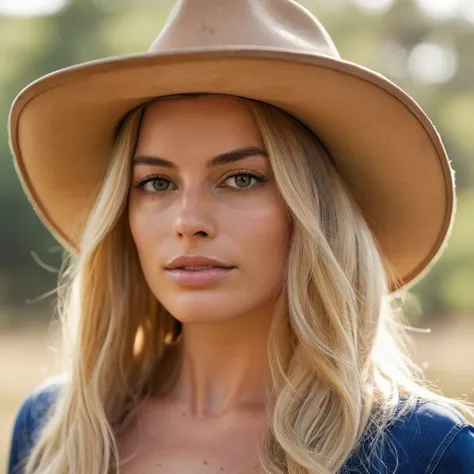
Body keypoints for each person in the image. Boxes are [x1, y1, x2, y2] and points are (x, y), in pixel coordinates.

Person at [6, 1, 474, 473]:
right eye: (157, 183)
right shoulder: (55, 428)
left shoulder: (423, 451)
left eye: (241, 178)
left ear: (315, 210)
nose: (188, 221)